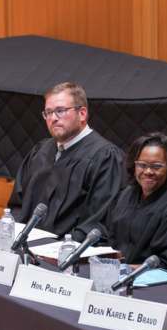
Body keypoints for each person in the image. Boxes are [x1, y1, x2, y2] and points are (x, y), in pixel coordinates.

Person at [7, 82, 124, 237]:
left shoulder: (105, 157)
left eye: (60, 111)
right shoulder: (40, 151)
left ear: (82, 113)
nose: (53, 118)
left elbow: (99, 220)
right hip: (25, 247)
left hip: (69, 253)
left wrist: (65, 247)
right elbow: (17, 206)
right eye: (48, 112)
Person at [72, 132, 167, 264]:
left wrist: (125, 269)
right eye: (142, 165)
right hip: (114, 272)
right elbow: (107, 235)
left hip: (149, 280)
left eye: (156, 166)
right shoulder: (126, 195)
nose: (148, 172)